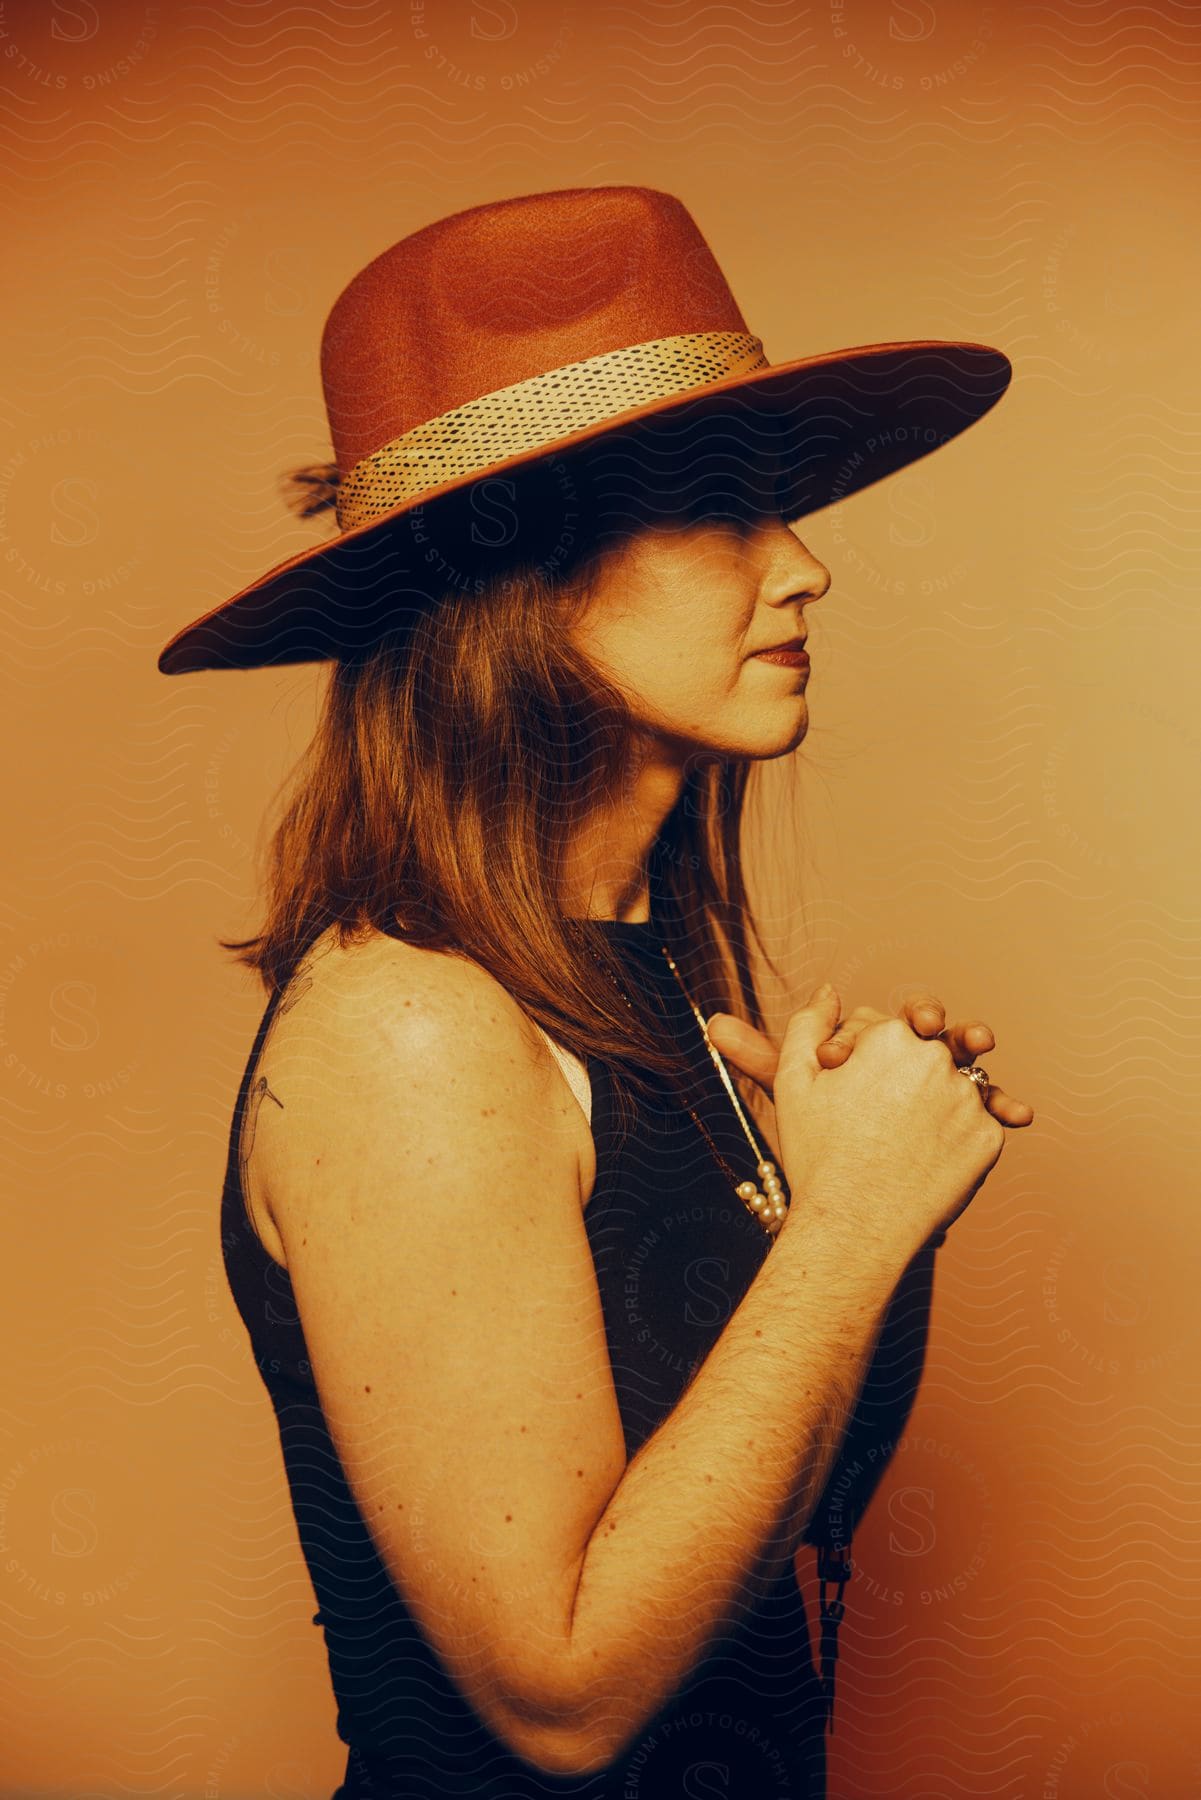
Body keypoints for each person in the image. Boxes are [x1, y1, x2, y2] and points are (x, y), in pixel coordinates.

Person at [158, 187, 1032, 1799]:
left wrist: (857, 1206)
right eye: (724, 513)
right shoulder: (409, 1025)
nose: (807, 569)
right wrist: (838, 1238)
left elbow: (753, 1576)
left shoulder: (629, 982)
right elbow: (561, 1697)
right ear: (526, 582)